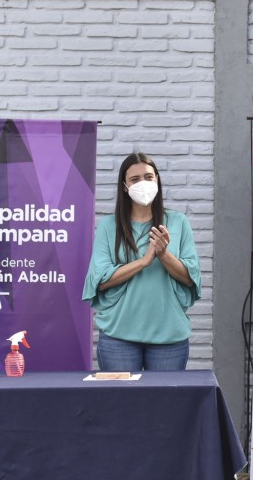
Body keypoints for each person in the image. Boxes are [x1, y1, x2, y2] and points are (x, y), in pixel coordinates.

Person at [83, 152, 201, 372]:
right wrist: (144, 261)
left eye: (148, 177)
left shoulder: (178, 222)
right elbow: (100, 281)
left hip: (169, 336)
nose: (143, 183)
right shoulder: (109, 226)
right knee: (121, 396)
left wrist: (163, 254)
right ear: (125, 186)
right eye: (135, 179)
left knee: (166, 396)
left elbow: (190, 278)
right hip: (119, 337)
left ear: (157, 179)